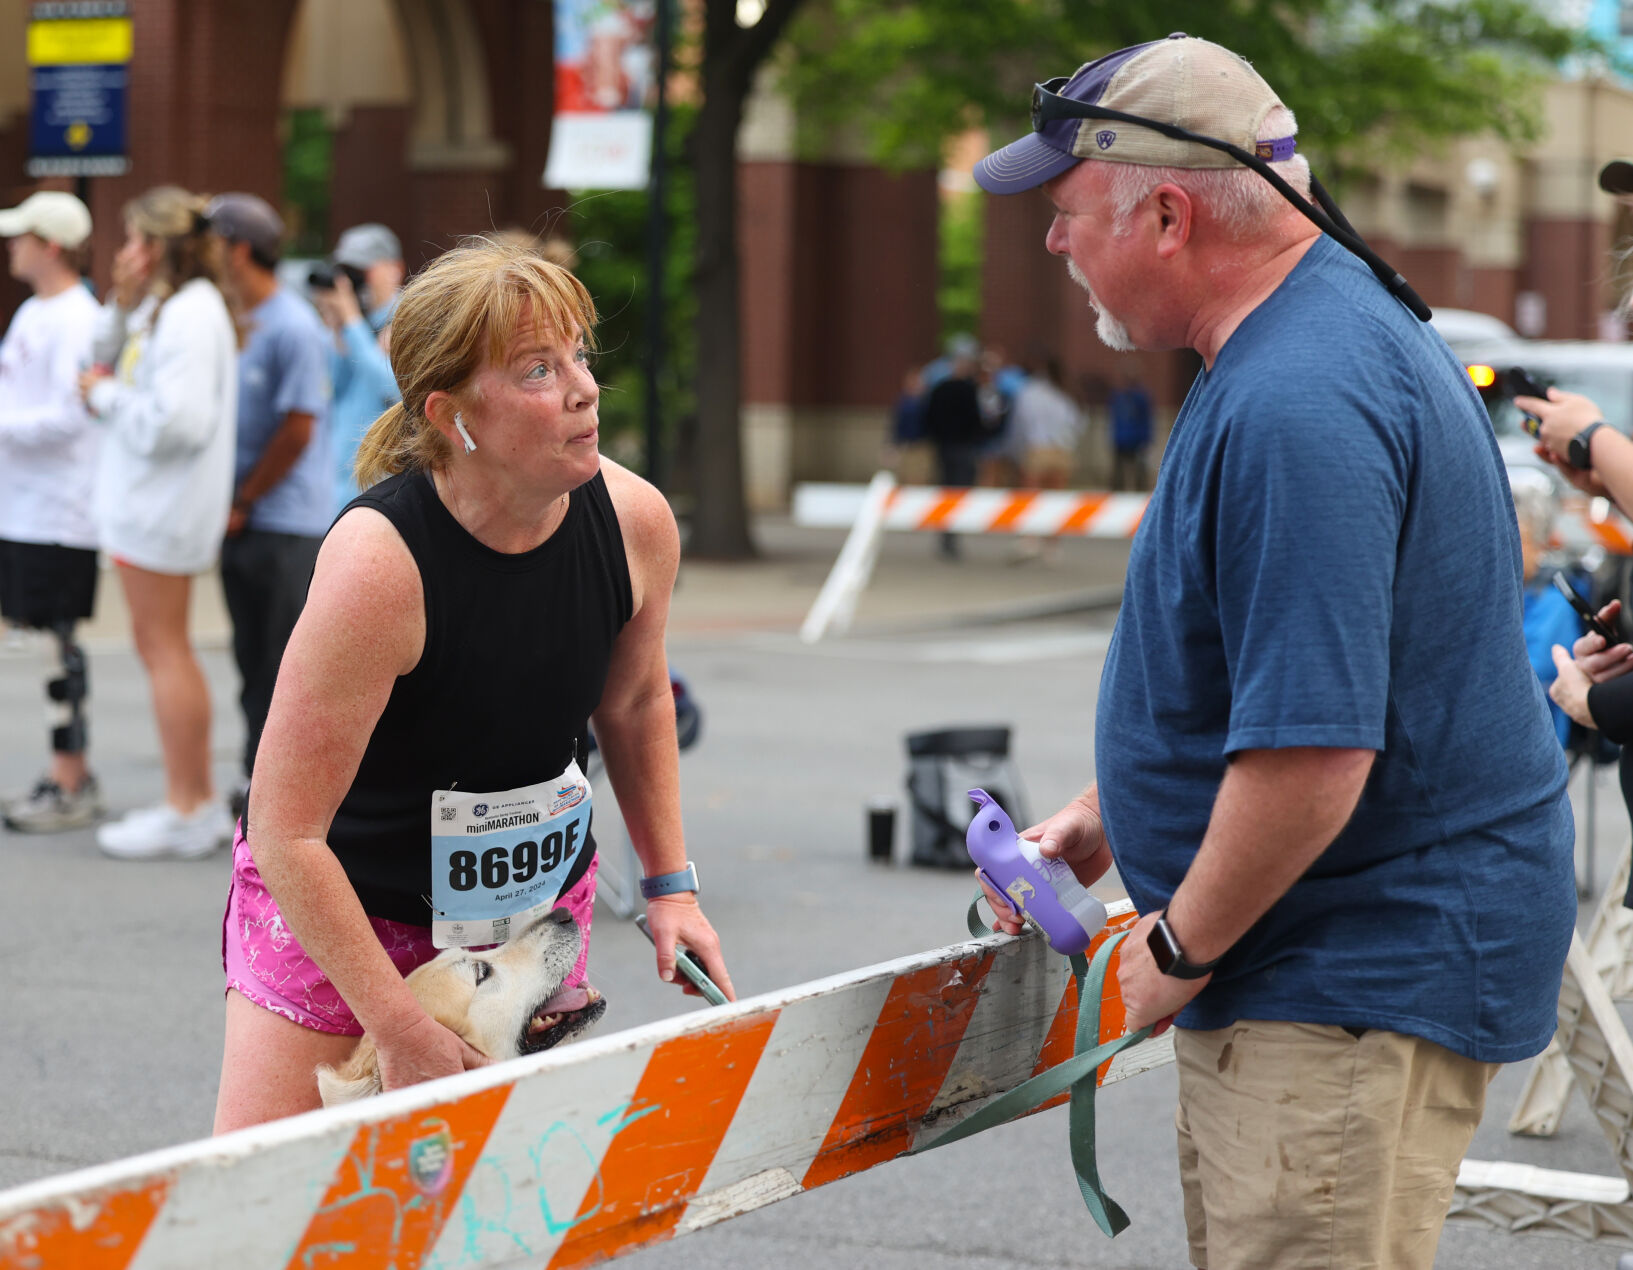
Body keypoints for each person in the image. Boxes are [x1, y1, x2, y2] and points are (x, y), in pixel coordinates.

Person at [972, 35, 1573, 1270]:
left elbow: (1314, 753)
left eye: (1068, 209)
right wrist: (1117, 808)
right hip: (1340, 953)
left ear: (1170, 213)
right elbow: (1335, 669)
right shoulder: (1315, 333)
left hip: (1343, 976)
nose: (1050, 241)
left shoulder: (1297, 399)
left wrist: (1174, 948)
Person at [212, 238, 735, 1131]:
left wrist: (669, 887)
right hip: (350, 912)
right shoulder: (380, 565)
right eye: (538, 369)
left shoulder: (635, 520)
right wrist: (398, 1020)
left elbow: (637, 701)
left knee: (482, 1216)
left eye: (579, 355)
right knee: (270, 1215)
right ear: (452, 414)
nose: (582, 388)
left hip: (526, 920)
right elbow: (286, 829)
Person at [80, 185, 239, 858]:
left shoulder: (191, 315)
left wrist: (108, 397)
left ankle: (190, 805)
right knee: (160, 646)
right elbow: (102, 353)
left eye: (133, 239)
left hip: (162, 508)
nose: (124, 252)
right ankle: (189, 799)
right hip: (149, 504)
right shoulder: (167, 307)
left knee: (164, 647)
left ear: (158, 246)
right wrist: (119, 301)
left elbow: (180, 421)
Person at [206, 194, 333, 797]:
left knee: (282, 665)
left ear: (236, 248)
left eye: (209, 241)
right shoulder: (234, 319)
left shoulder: (292, 325)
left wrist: (245, 498)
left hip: (285, 523)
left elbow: (299, 427)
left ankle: (284, 793)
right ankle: (259, 777)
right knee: (250, 657)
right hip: (244, 519)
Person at [0, 192, 104, 831]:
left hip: (62, 510)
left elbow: (72, 415)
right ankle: (62, 772)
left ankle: (73, 778)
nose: (12, 246)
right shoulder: (33, 312)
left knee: (57, 645)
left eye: (22, 236)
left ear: (52, 245)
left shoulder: (79, 317)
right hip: (24, 508)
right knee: (42, 642)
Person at [312, 223, 403, 512]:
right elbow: (329, 391)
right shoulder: (353, 328)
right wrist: (339, 329)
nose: (354, 282)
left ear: (395, 269)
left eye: (363, 271)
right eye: (348, 272)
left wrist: (351, 321)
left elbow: (390, 388)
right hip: (335, 490)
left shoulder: (406, 320)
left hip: (380, 490)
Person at [1508, 469, 1582, 748]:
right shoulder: (1517, 591)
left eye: (1517, 539)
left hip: (1535, 739)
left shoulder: (1553, 601)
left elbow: (1532, 671)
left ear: (1540, 545)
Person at [920, 347, 987, 559]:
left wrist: (937, 438)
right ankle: (952, 535)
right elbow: (977, 420)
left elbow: (929, 417)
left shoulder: (940, 389)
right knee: (960, 490)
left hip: (945, 446)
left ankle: (946, 535)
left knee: (946, 487)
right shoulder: (970, 390)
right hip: (964, 447)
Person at [1107, 368, 1153, 491]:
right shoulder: (1118, 396)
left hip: (1136, 439)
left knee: (1139, 471)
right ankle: (1116, 493)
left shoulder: (1141, 397)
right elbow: (1114, 418)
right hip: (1121, 439)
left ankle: (1140, 493)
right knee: (1118, 473)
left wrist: (1146, 438)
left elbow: (1146, 419)